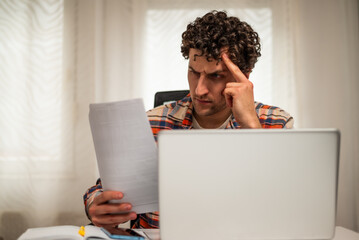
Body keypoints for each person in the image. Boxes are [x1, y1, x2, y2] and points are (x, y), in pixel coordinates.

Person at [83, 10, 293, 230]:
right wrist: (95, 205)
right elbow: (103, 189)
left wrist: (251, 126)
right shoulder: (150, 123)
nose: (199, 90)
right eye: (194, 72)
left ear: (244, 76)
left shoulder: (275, 123)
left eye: (216, 76)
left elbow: (288, 206)